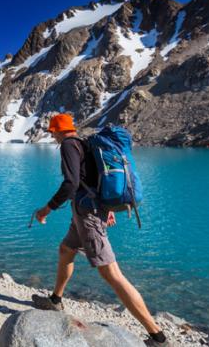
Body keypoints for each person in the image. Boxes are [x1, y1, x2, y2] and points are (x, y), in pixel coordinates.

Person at [31, 113, 169, 346]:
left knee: (112, 274)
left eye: (51, 132)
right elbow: (96, 179)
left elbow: (71, 183)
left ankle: (157, 336)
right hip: (87, 211)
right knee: (66, 249)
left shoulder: (68, 145)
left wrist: (47, 209)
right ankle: (55, 300)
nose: (52, 136)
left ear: (56, 130)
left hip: (87, 216)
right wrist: (107, 208)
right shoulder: (85, 143)